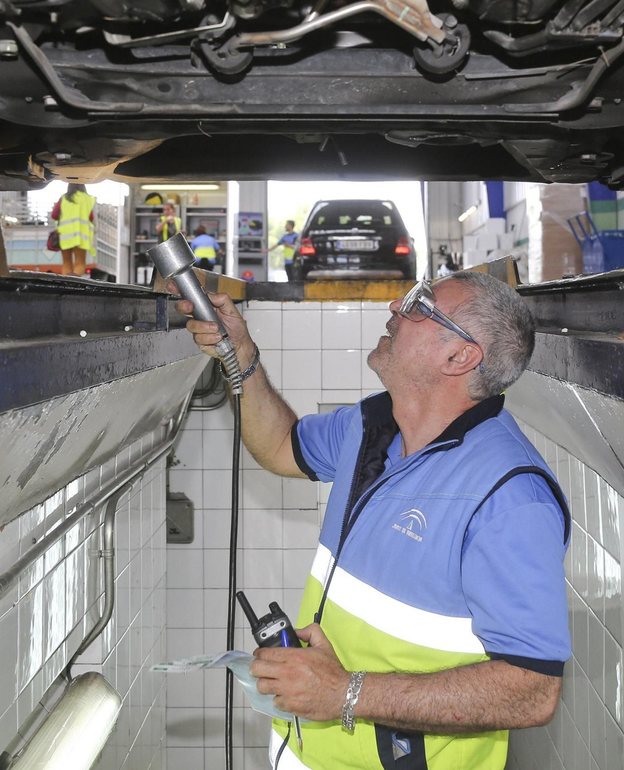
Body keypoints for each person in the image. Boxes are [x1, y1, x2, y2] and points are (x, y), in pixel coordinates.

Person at [175, 272, 568, 770]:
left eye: (419, 305)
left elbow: (533, 692)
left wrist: (347, 693)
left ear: (459, 356)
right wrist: (243, 357)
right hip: (306, 752)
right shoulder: (373, 425)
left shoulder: (509, 495)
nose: (394, 307)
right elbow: (280, 446)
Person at [51, 183, 95, 276]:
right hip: (81, 237)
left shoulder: (64, 198)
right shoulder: (88, 199)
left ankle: (66, 285)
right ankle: (75, 284)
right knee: (80, 264)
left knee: (66, 264)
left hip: (65, 236)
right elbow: (91, 217)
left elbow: (54, 215)